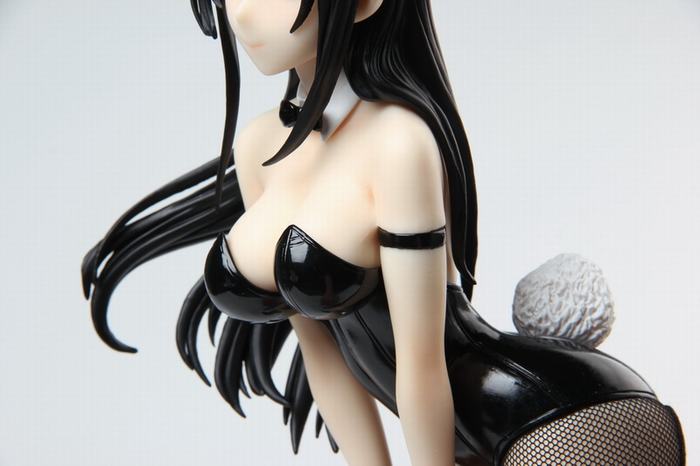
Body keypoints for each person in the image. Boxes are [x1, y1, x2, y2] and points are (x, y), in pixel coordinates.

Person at [82, 1, 686, 464]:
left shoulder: (399, 143)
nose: (241, 13)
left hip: (558, 421)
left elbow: (423, 364)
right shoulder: (259, 145)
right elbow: (320, 351)